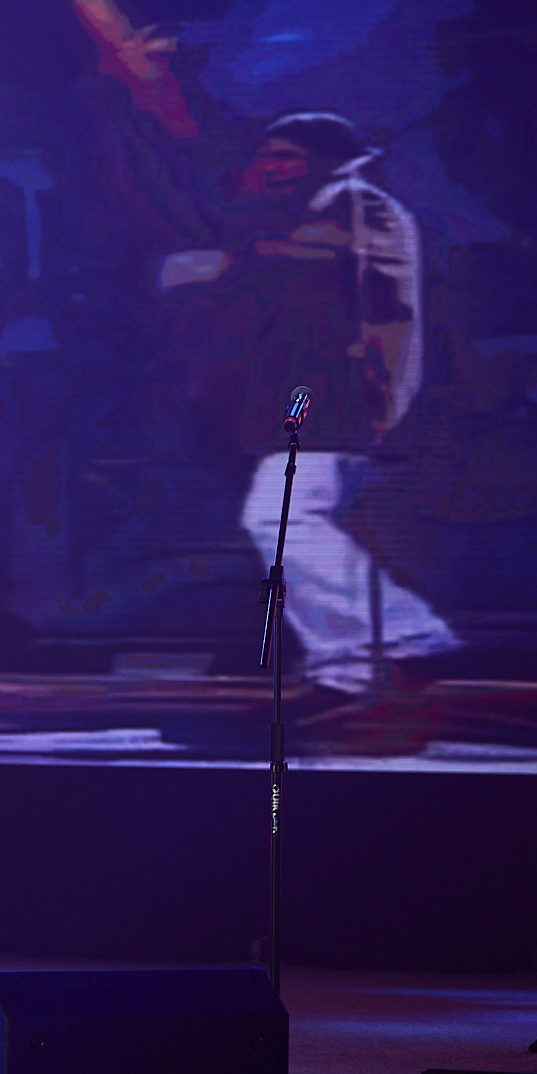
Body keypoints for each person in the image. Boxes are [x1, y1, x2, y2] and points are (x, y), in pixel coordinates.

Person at [161, 112, 459, 707]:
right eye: (266, 155)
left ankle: (405, 635)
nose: (270, 167)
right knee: (288, 525)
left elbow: (318, 260)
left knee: (281, 521)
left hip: (345, 395)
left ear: (328, 158)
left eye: (285, 155)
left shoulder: (361, 207)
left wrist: (223, 265)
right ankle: (349, 665)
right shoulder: (319, 213)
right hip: (317, 396)